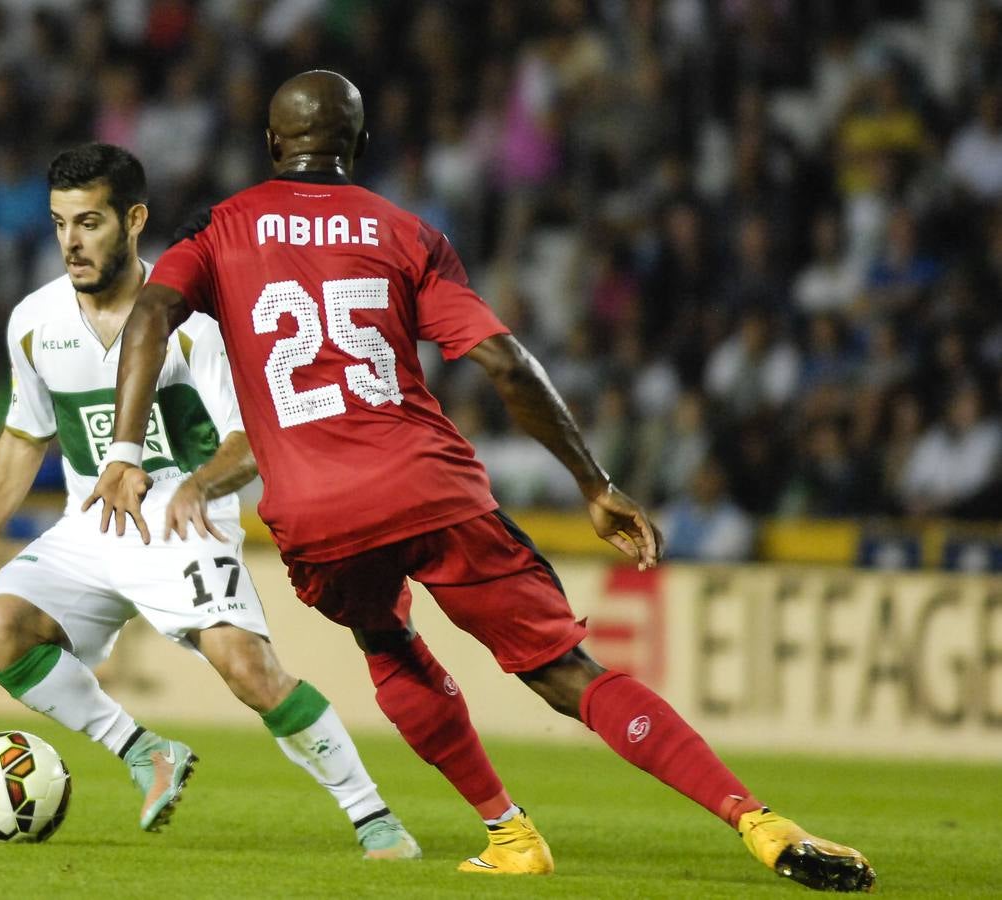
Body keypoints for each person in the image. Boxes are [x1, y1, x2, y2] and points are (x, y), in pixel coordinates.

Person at [86, 72, 875, 892]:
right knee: (566, 673)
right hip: (429, 485)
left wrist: (127, 450)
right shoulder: (406, 232)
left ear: (271, 145)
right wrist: (594, 482)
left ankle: (509, 831)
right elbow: (504, 360)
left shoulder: (219, 227)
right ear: (357, 146)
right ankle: (755, 819)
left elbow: (149, 315)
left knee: (386, 640)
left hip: (317, 512)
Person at [0, 143, 418, 859]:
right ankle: (142, 751)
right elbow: (24, 437)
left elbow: (255, 441)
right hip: (90, 525)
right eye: (60, 224)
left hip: (183, 518)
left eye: (90, 223)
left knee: (247, 669)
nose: (72, 242)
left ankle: (373, 818)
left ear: (134, 220)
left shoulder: (196, 324)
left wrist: (195, 488)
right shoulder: (34, 322)